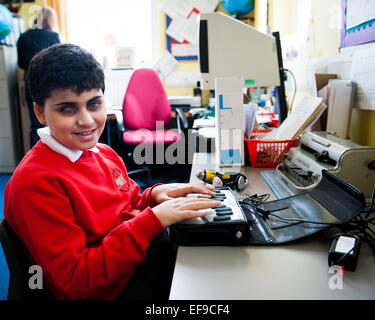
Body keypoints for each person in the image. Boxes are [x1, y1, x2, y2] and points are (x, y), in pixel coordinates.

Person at [4, 43, 221, 300]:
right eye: (68, 109)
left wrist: (153, 197)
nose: (86, 120)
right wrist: (152, 220)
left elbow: (126, 208)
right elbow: (75, 283)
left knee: (215, 259)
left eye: (94, 104)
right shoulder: (37, 182)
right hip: (110, 290)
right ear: (40, 112)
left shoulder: (103, 153)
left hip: (131, 265)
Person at [17, 6, 61, 148]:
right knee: (55, 121)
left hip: (31, 84)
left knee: (35, 124)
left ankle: (36, 156)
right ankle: (54, 156)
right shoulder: (53, 36)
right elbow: (59, 62)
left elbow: (21, 64)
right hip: (50, 85)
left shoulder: (23, 37)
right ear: (51, 20)